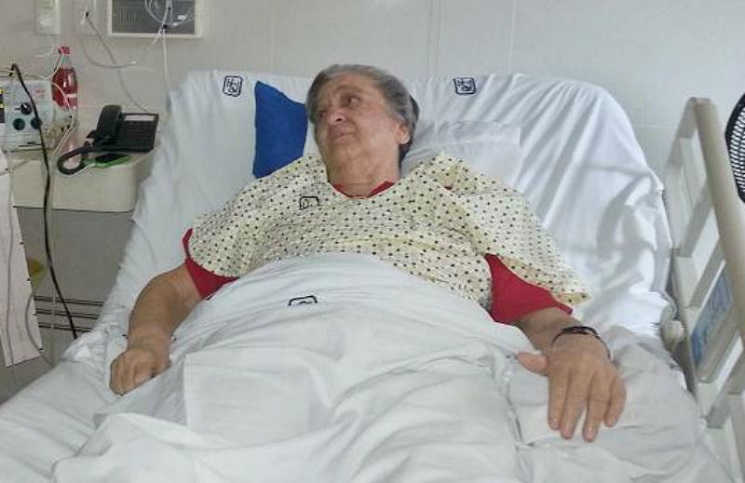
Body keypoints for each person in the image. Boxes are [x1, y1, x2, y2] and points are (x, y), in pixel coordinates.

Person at [109, 64, 625, 444]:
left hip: (425, 356)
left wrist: (580, 343)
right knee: (179, 448)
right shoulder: (274, 197)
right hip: (270, 341)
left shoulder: (461, 198)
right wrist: (148, 340)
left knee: (439, 456)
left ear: (402, 129)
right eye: (320, 114)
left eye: (351, 101)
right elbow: (174, 289)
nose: (331, 115)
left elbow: (538, 313)